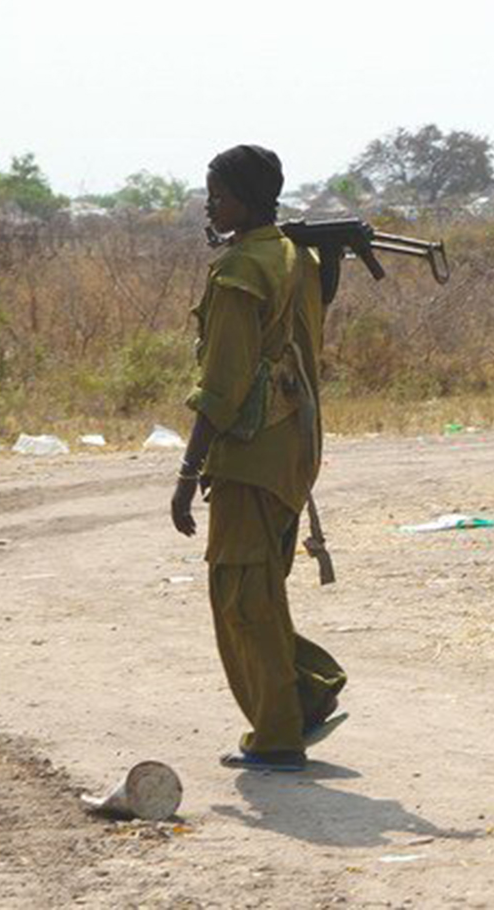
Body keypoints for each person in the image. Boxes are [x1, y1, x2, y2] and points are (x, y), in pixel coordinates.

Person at [170, 144, 346, 772]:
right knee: (259, 588)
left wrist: (187, 474)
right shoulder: (293, 256)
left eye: (218, 195)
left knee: (242, 593)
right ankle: (304, 694)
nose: (211, 206)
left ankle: (279, 733)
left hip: (252, 455)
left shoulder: (244, 268)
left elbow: (223, 383)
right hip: (295, 448)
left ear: (247, 198)